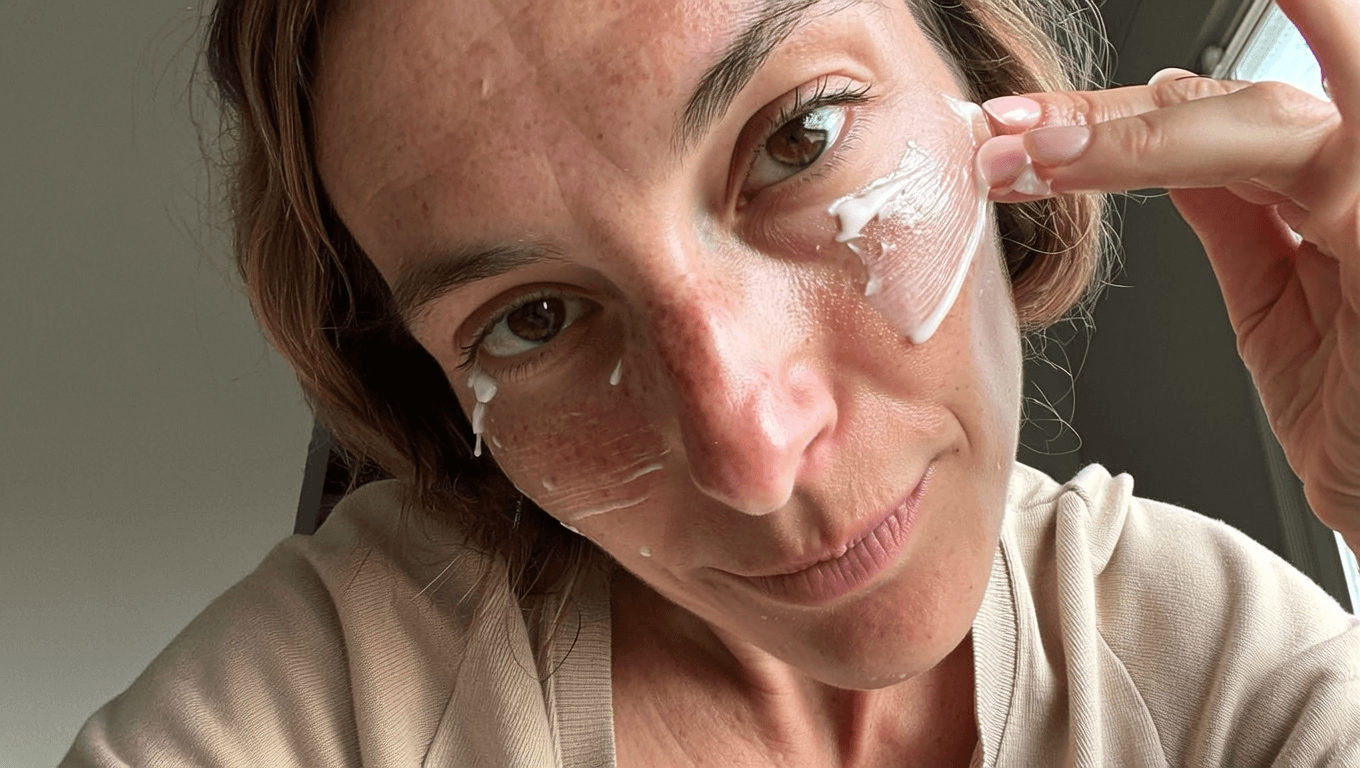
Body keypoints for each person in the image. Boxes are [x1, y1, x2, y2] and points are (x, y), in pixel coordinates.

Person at [63, 0, 1360, 764]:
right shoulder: (311, 713)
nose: (753, 453)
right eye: (533, 319)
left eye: (799, 141)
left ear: (980, 73)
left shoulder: (1234, 683)